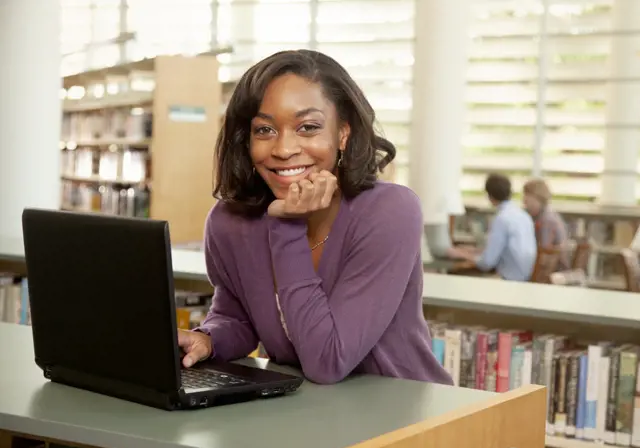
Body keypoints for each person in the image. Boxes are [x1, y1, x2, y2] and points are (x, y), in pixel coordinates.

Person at [177, 49, 452, 386]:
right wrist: (209, 339)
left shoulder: (390, 211)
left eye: (307, 127)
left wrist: (287, 224)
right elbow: (239, 319)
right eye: (264, 130)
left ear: (343, 133)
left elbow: (327, 360)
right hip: (304, 417)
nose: (283, 149)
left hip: (405, 420)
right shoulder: (229, 223)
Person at [449, 173, 536, 281]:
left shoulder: (501, 219)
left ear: (490, 196)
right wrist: (474, 251)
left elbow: (487, 263)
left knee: (455, 276)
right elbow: (505, 250)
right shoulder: (523, 215)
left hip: (509, 280)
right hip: (525, 276)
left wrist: (460, 254)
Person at [522, 178, 569, 269]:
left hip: (552, 272)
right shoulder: (548, 214)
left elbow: (544, 254)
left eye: (527, 195)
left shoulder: (547, 220)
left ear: (537, 197)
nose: (524, 200)